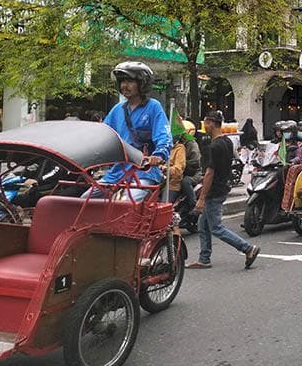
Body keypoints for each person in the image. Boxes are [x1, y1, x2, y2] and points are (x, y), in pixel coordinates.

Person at [81, 62, 172, 202]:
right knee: (84, 200)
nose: (124, 85)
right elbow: (101, 135)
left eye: (129, 81)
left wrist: (158, 155)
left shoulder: (153, 107)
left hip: (144, 172)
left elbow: (164, 136)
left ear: (142, 83)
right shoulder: (117, 110)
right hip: (118, 171)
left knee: (125, 204)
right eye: (122, 81)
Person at [187, 110, 260, 270]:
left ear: (212, 123)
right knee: (203, 224)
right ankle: (204, 258)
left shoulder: (214, 146)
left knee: (216, 228)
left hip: (214, 190)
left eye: (206, 122)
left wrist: (201, 198)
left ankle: (247, 248)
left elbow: (209, 172)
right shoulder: (227, 142)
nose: (204, 126)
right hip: (222, 186)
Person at [164, 134, 187, 202]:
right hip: (157, 182)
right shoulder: (162, 148)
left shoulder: (180, 149)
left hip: (171, 184)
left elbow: (179, 169)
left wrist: (166, 169)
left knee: (164, 206)